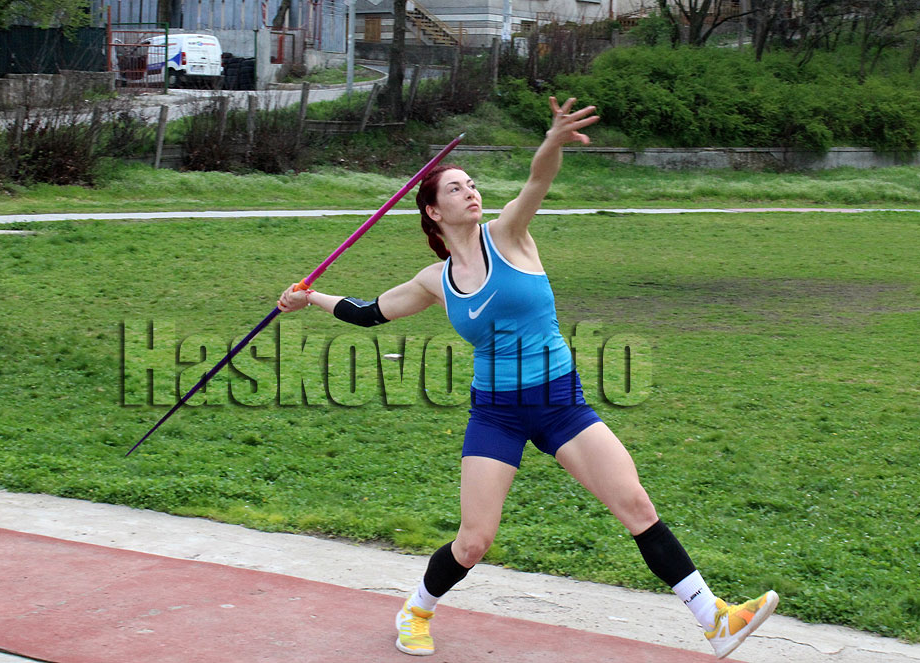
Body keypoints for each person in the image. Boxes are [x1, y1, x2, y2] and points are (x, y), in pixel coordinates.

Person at [278, 97, 779, 660]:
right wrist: (309, 298)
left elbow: (539, 180)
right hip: (496, 413)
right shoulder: (435, 279)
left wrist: (551, 141)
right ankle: (415, 611)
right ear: (435, 212)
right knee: (474, 541)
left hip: (560, 402)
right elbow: (370, 311)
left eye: (472, 184)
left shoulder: (509, 235)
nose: (471, 192)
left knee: (636, 507)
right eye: (456, 189)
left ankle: (714, 619)